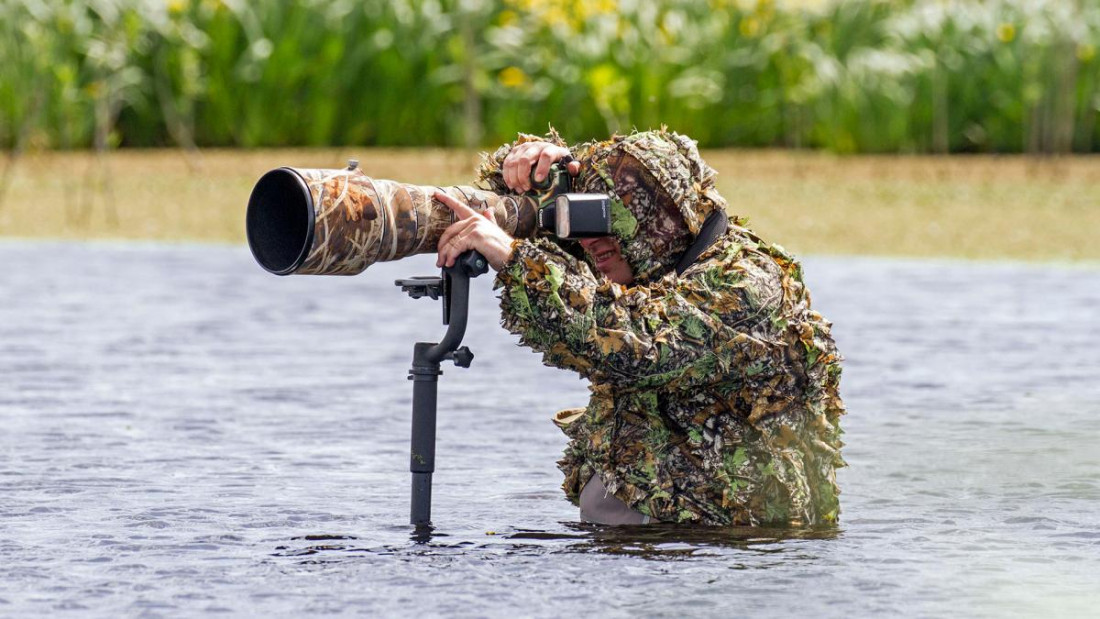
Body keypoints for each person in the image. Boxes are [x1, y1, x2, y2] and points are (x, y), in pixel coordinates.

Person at [432, 129, 846, 527]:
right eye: (581, 216)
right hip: (665, 542)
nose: (590, 240)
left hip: (729, 548)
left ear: (661, 215)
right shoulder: (656, 267)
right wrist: (536, 168)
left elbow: (633, 344)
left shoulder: (744, 284)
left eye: (606, 215)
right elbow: (587, 270)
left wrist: (511, 256)